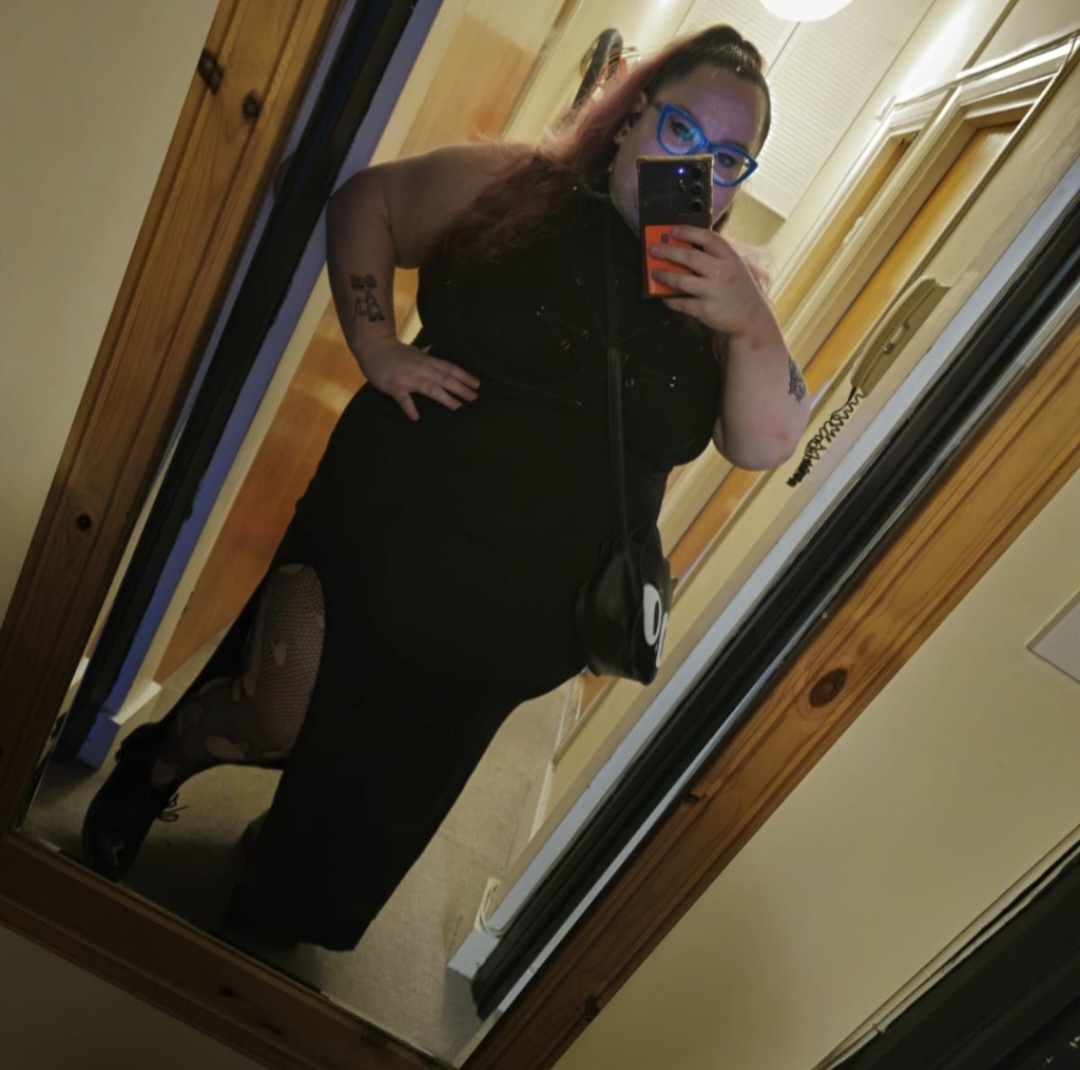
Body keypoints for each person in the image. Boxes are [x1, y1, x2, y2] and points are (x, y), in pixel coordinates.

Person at [82, 23, 808, 949]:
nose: (697, 167)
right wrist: (376, 345)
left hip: (523, 625)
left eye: (729, 158)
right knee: (276, 706)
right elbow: (368, 203)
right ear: (631, 117)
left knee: (386, 789)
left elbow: (765, 442)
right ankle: (156, 766)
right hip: (379, 543)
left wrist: (748, 322)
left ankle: (277, 898)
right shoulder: (519, 188)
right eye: (680, 131)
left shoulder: (724, 300)